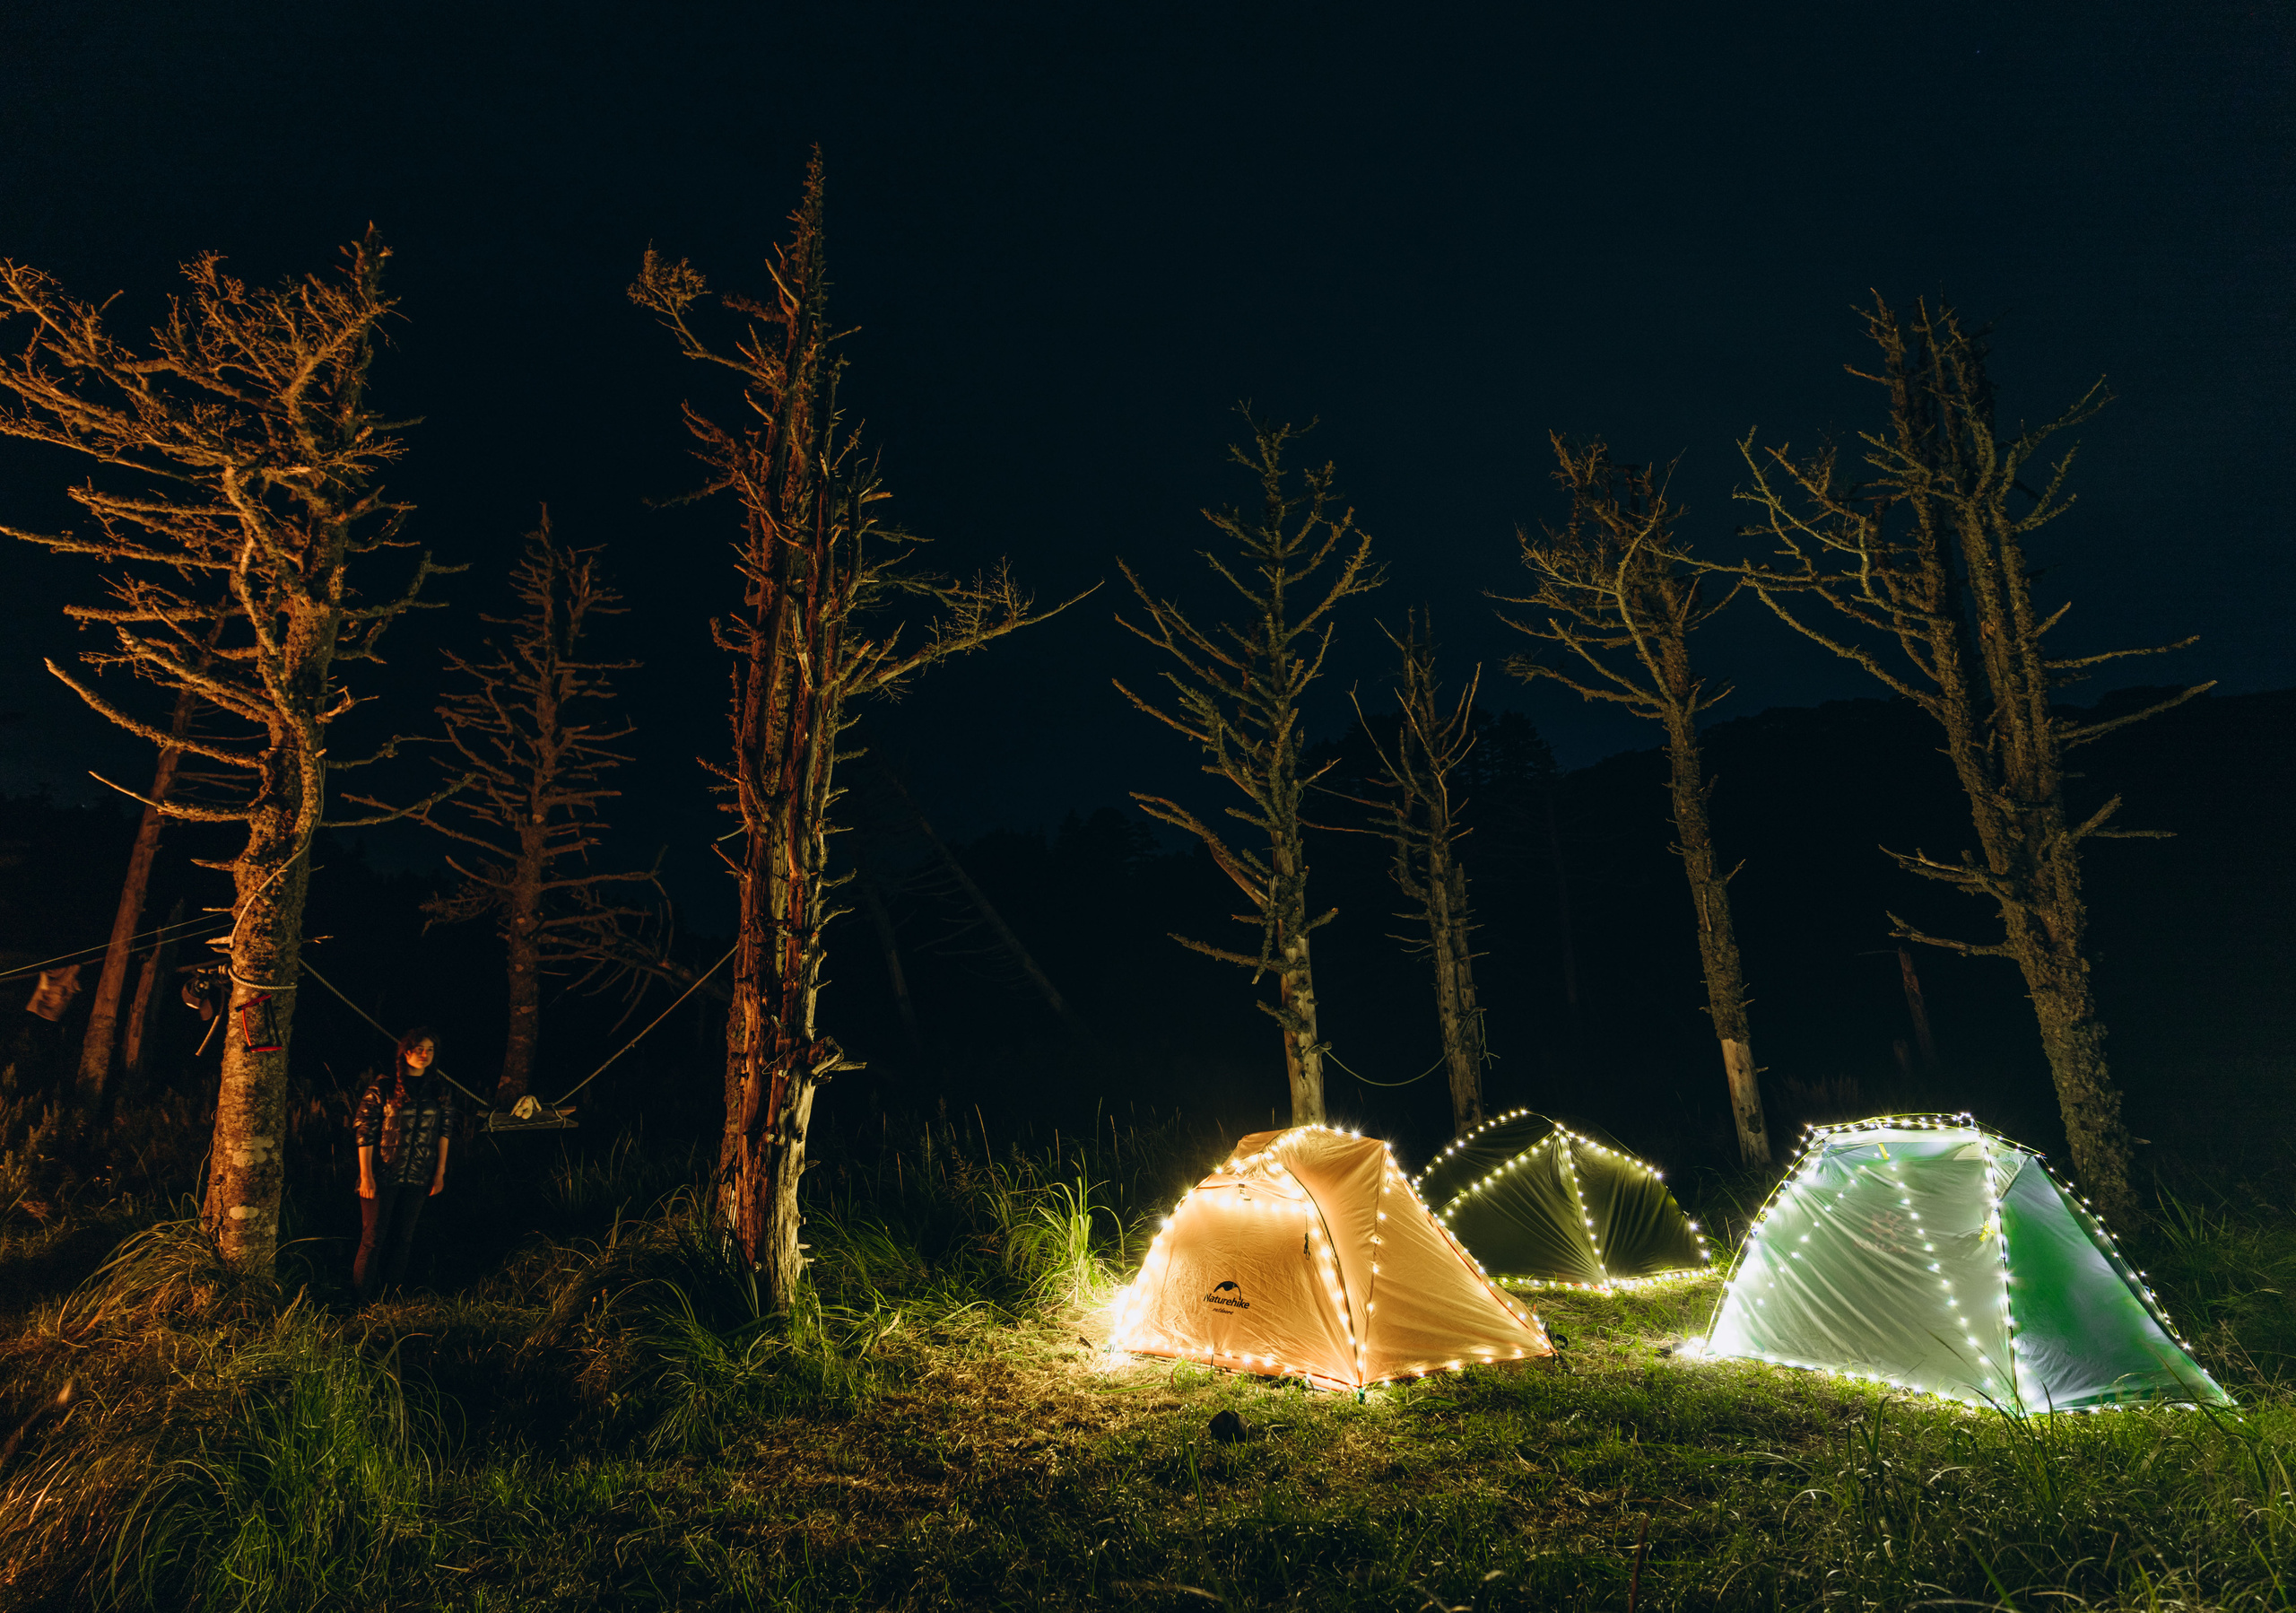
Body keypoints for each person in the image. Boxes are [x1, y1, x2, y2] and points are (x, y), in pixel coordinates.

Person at [352, 1026, 458, 1305]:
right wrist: (366, 1176)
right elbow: (365, 1130)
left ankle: (391, 1299)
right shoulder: (383, 1087)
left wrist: (439, 1173)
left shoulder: (439, 1090)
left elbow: (444, 1132)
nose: (425, 1054)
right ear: (406, 1052)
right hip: (382, 1175)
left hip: (419, 1176)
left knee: (403, 1239)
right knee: (373, 1239)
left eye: (430, 1050)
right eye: (419, 1049)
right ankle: (361, 1302)